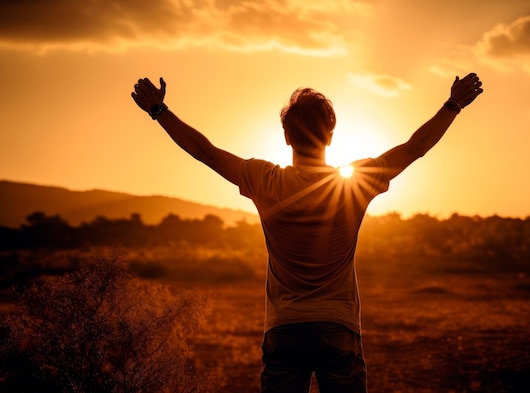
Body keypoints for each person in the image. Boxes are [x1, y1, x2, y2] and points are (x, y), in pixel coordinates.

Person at [131, 73, 483, 392]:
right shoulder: (354, 182)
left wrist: (159, 110)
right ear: (331, 134)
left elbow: (204, 151)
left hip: (284, 329)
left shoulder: (264, 179)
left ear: (286, 136)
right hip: (339, 327)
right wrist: (452, 105)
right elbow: (414, 148)